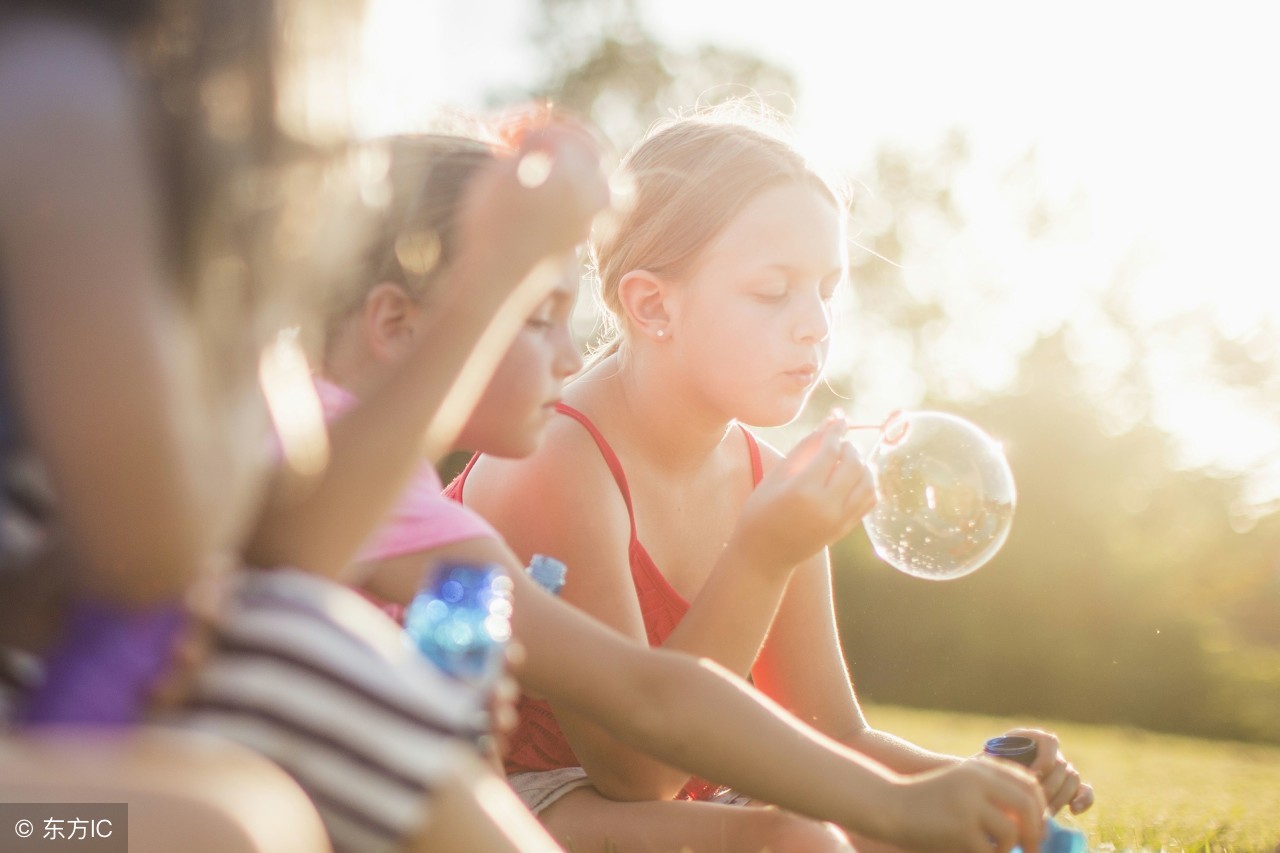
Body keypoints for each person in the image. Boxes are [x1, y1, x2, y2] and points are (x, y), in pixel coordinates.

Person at [318, 132, 1050, 853]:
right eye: (773, 291)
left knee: (880, 833)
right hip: (537, 789)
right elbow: (639, 762)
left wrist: (979, 789)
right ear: (652, 305)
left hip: (603, 795)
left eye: (828, 290)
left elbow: (831, 733)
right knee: (802, 838)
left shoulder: (770, 476)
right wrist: (761, 555)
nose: (817, 326)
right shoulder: (548, 458)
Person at [0, 2, 606, 850]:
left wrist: (496, 273)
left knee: (301, 648)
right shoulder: (63, 99)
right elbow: (154, 552)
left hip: (53, 731)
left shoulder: (143, 134)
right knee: (226, 826)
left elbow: (288, 548)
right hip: (33, 817)